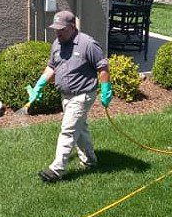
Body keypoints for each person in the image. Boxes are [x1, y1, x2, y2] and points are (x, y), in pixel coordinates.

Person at [28, 10, 112, 182]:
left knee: (68, 130)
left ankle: (57, 170)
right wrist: (39, 85)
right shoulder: (57, 44)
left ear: (72, 27)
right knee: (79, 129)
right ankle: (90, 161)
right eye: (55, 29)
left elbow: (102, 67)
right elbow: (52, 67)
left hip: (82, 95)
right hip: (65, 95)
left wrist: (105, 89)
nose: (57, 32)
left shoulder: (87, 44)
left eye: (62, 29)